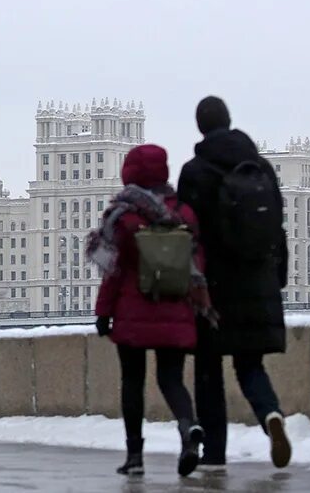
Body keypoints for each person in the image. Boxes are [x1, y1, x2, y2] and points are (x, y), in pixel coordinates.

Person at [176, 95, 292, 472]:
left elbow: (187, 235)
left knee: (208, 371)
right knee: (249, 364)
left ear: (200, 127)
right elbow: (278, 230)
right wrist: (278, 278)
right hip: (258, 282)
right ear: (229, 120)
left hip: (214, 288)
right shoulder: (259, 166)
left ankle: (214, 453)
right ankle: (270, 413)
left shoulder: (195, 171)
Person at [94, 144, 206, 478]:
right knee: (171, 379)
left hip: (132, 311)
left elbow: (112, 270)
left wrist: (103, 312)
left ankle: (134, 456)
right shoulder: (184, 212)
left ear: (129, 173)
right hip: (175, 309)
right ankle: (188, 430)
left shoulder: (122, 215)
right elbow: (197, 262)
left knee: (133, 382)